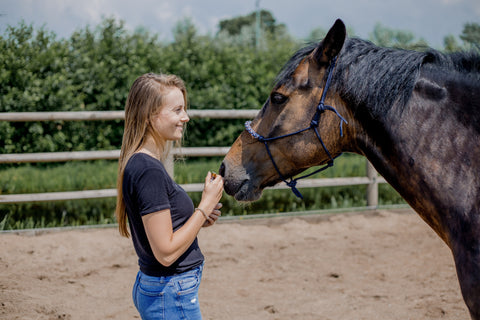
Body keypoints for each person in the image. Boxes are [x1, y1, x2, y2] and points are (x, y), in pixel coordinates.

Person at [115, 73, 224, 320]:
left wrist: (196, 220)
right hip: (170, 292)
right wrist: (204, 207)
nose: (185, 117)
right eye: (177, 110)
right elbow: (165, 253)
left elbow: (165, 231)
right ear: (149, 116)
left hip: (164, 290)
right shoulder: (148, 171)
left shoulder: (143, 163)